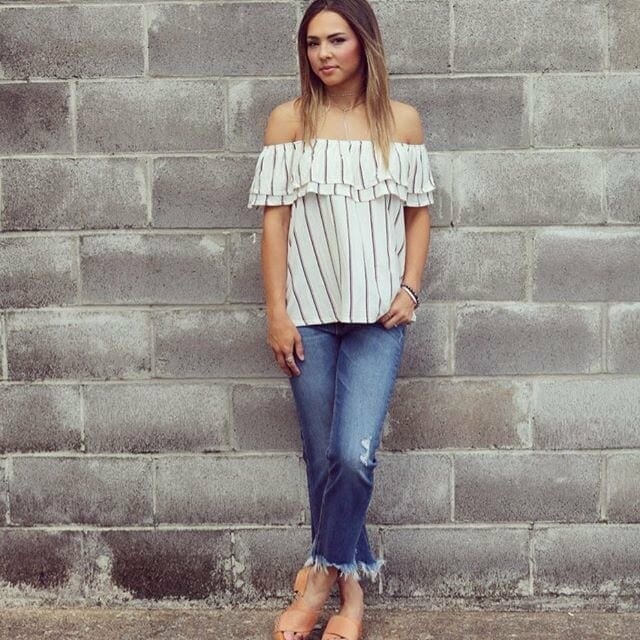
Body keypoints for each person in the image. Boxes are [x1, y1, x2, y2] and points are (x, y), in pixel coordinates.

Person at [247, 1, 435, 638]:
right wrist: (277, 313)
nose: (323, 54)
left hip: (379, 320)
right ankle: (351, 599)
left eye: (336, 40)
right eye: (312, 43)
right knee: (324, 460)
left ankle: (319, 580)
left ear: (364, 44)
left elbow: (418, 213)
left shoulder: (401, 122)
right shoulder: (289, 121)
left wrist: (410, 289)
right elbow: (274, 224)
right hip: (307, 317)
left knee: (353, 457)